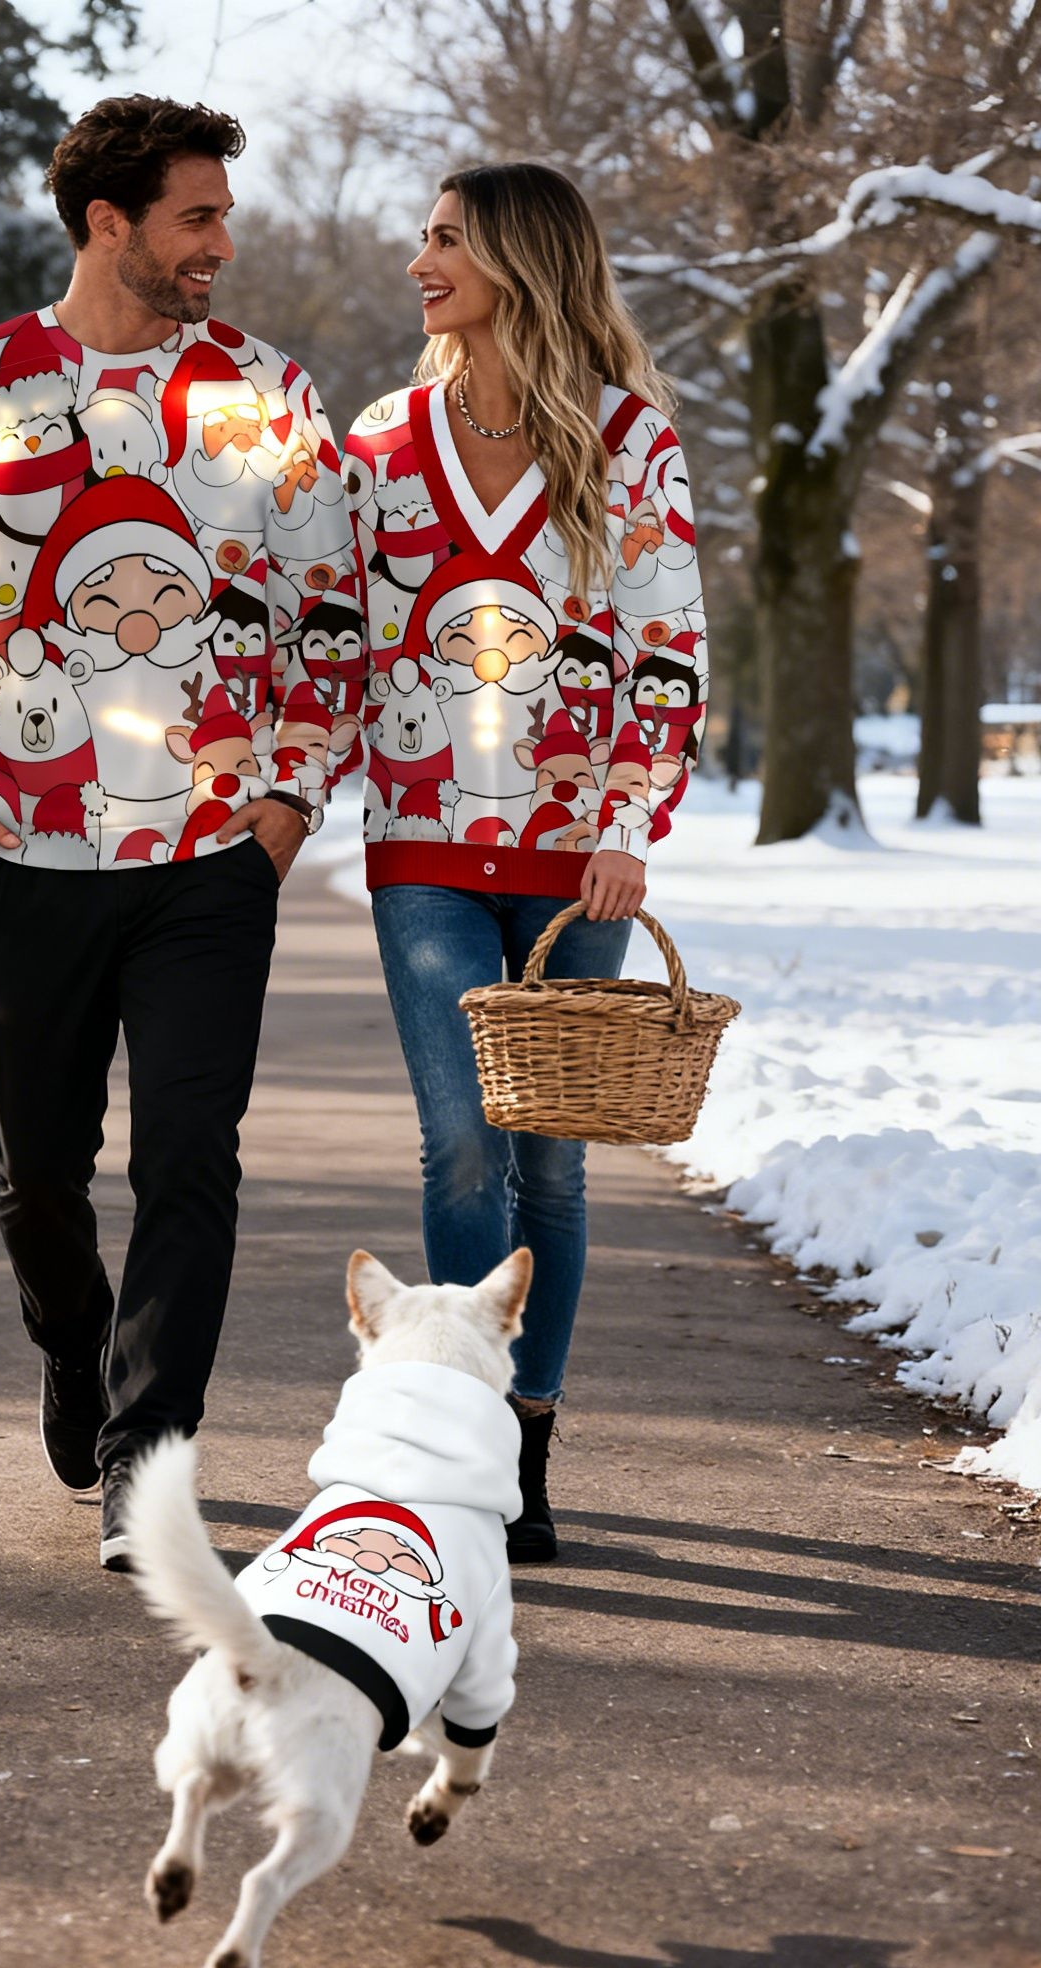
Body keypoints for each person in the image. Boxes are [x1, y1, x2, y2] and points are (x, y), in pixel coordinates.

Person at [0, 97, 364, 1570]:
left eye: (221, 216)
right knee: (34, 1168)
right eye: (197, 216)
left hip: (213, 859)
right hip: (23, 858)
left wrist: (284, 803)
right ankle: (76, 1349)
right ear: (109, 224)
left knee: (192, 1160)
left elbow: (329, 614)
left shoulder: (269, 395)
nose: (221, 243)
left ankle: (152, 1466)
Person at [344, 162, 708, 1563]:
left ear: (517, 259)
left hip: (575, 861)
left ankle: (526, 1447)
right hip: (421, 843)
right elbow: (331, 620)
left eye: (445, 240)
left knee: (551, 1163)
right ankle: (454, 1439)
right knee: (461, 1142)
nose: (421, 260)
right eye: (425, 236)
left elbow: (667, 649)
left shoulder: (630, 443)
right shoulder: (383, 440)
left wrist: (628, 822)